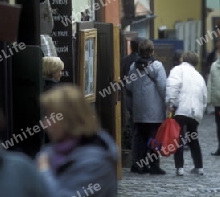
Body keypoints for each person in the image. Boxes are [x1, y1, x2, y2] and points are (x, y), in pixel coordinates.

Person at [37, 84, 118, 197]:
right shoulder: (53, 150)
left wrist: (44, 172)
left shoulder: (95, 162)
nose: (46, 123)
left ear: (69, 119)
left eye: (51, 117)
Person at [126, 39, 167, 175]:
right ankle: (154, 165)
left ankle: (138, 164)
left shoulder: (133, 67)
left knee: (139, 137)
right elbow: (162, 87)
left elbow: (129, 86)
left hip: (139, 109)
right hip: (154, 109)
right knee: (154, 138)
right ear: (152, 50)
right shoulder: (157, 66)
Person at [166, 51, 207, 176]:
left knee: (178, 138)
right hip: (194, 112)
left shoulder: (177, 70)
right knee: (193, 137)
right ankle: (199, 166)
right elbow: (204, 96)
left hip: (180, 109)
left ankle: (180, 167)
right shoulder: (199, 76)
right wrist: (201, 110)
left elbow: (173, 87)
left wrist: (172, 104)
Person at [207, 51, 220, 155]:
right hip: (218, 103)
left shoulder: (214, 66)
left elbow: (210, 83)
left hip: (217, 102)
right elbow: (210, 83)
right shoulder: (214, 66)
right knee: (219, 125)